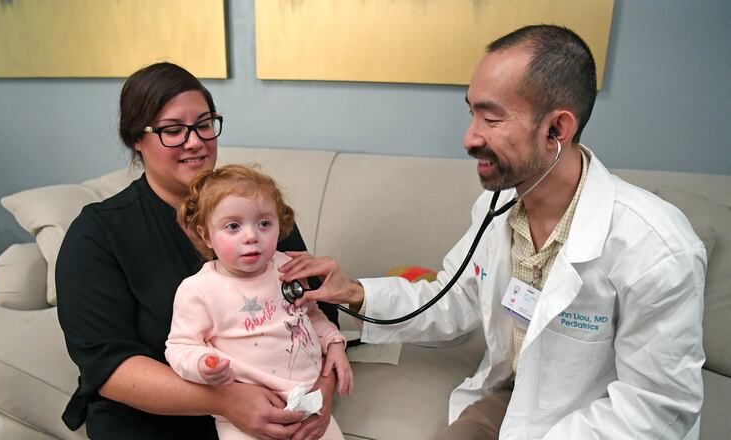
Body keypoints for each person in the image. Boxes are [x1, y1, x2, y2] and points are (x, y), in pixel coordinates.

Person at [279, 25, 706, 439]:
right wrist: (353, 291)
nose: (469, 137)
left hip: (594, 420)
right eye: (472, 112)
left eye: (492, 118)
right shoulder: (497, 206)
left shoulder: (656, 247)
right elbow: (452, 301)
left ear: (556, 129)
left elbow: (654, 406)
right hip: (510, 403)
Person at [56, 62, 340, 440]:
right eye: (173, 130)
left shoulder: (256, 211)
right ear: (135, 140)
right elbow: (106, 366)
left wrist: (323, 393)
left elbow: (316, 314)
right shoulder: (98, 234)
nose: (195, 142)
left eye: (204, 124)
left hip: (279, 410)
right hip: (151, 420)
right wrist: (226, 401)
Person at [166, 164, 352, 440]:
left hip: (310, 406)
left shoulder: (287, 268)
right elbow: (180, 346)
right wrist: (204, 364)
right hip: (246, 419)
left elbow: (310, 315)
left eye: (264, 223)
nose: (252, 235)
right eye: (233, 226)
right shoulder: (200, 290)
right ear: (206, 235)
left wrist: (335, 344)